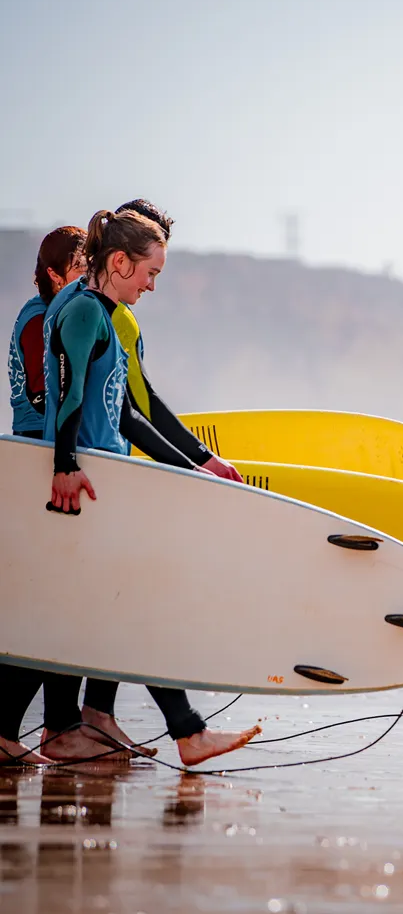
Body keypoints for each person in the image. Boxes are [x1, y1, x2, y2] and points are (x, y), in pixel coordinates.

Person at [41, 208, 261, 766]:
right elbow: (69, 394)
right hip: (89, 481)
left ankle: (174, 730)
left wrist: (198, 462)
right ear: (119, 261)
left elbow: (123, 411)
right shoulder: (87, 311)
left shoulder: (100, 311)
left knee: (90, 613)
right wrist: (64, 463)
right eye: (149, 272)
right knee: (120, 607)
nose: (152, 284)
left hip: (101, 477)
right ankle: (185, 732)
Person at [1, 229, 90, 766]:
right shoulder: (42, 316)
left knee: (66, 596)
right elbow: (43, 393)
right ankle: (17, 729)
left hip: (50, 454)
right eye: (79, 267)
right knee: (54, 597)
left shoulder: (57, 312)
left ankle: (61, 724)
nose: (86, 275)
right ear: (56, 273)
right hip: (40, 455)